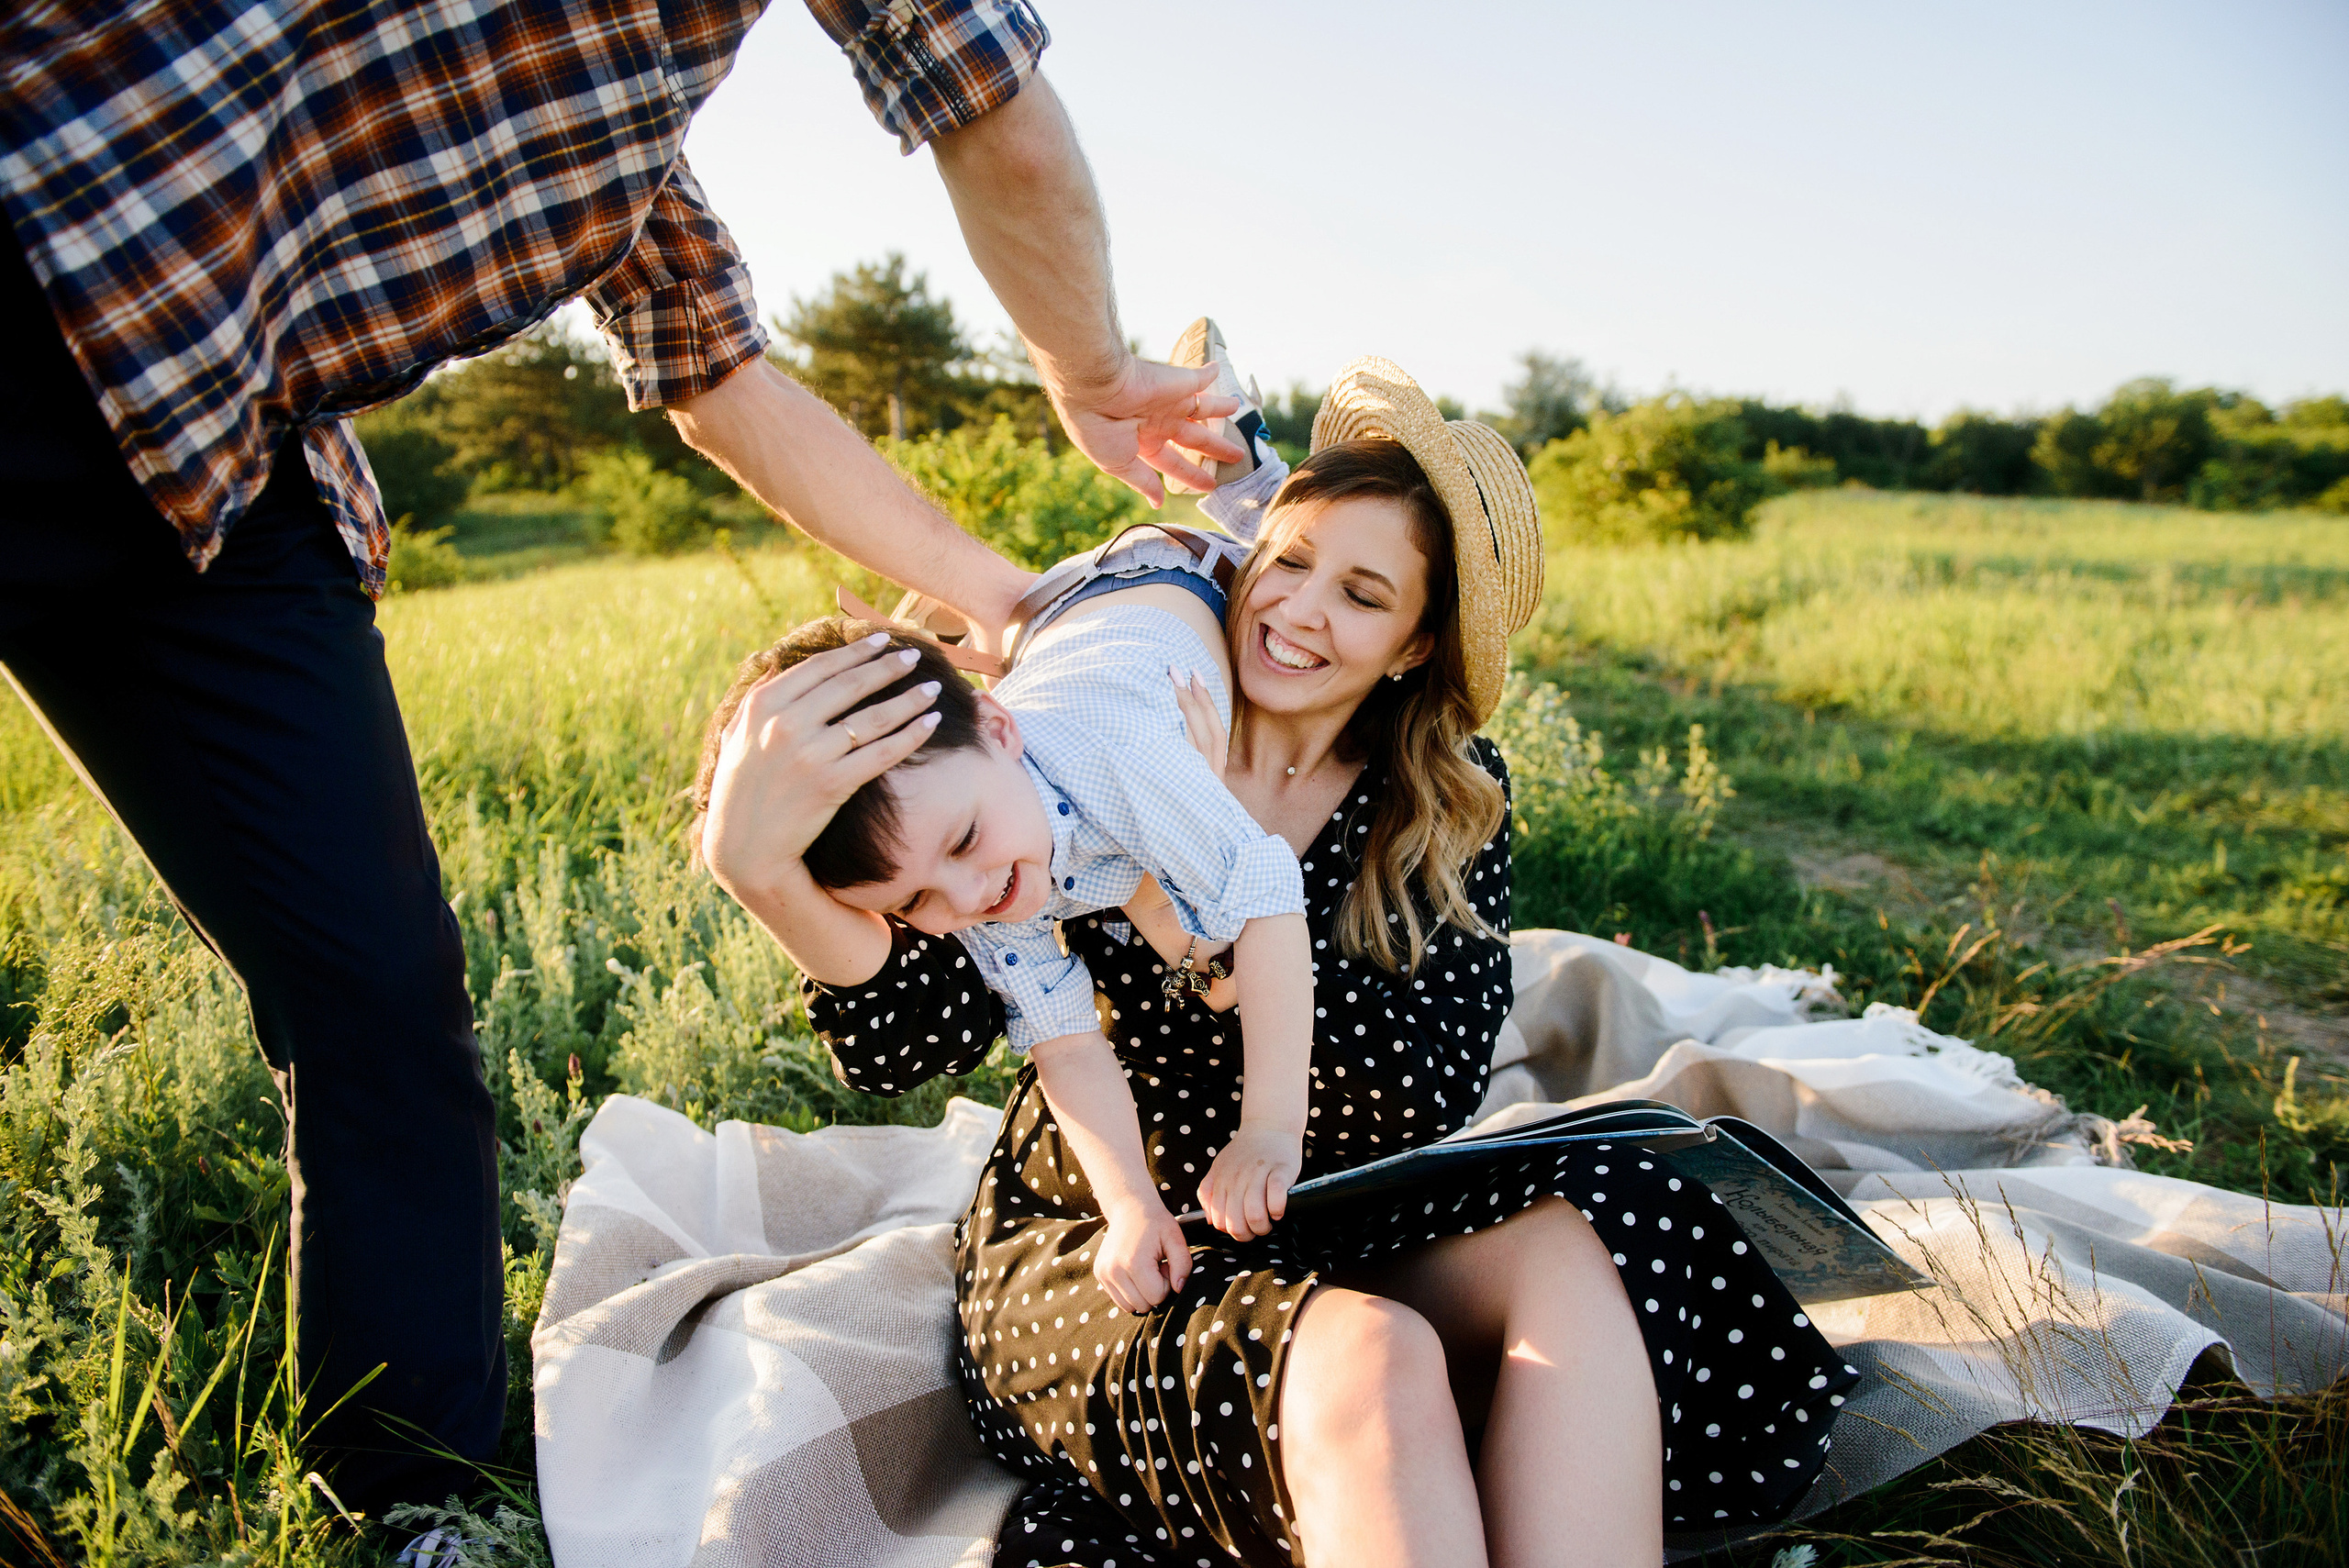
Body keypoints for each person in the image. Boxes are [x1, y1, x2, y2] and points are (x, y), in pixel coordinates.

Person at [0, 0, 1240, 1518]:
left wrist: (1009, 602)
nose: (976, 887)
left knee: (375, 982)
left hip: (221, 474)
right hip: (40, 249)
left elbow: (723, 381)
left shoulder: (615, 161)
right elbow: (987, 95)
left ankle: (413, 1492)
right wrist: (1093, 365)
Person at [706, 344, 1860, 1566]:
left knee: (1604, 1235)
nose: (1300, 610)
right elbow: (921, 1034)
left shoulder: (1441, 804)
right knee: (1373, 1352)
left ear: (1418, 643)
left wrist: (1206, 944)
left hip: (1323, 1211)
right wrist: (766, 875)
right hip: (1114, 1246)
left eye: (1364, 596)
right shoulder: (1090, 744)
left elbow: (1423, 1089)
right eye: (1291, 561)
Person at [690, 487, 1325, 1303]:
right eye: (913, 903)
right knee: (1170, 915)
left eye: (962, 840)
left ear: (998, 730)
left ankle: (1247, 472)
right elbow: (1064, 1043)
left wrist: (1268, 1130)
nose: (967, 898)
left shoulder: (1125, 755)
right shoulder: (971, 875)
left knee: (1274, 530)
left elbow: (1269, 902)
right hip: (1069, 648)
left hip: (1170, 577)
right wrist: (1129, 1204)